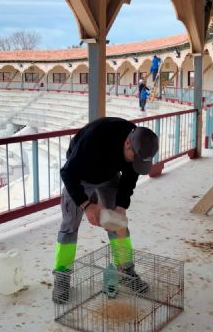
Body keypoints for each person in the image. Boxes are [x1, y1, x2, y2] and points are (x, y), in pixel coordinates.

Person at [52, 117, 159, 303]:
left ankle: (126, 270)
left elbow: (129, 178)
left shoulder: (138, 148)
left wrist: (121, 206)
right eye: (134, 157)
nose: (136, 161)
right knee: (70, 225)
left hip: (109, 175)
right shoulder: (95, 139)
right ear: (127, 143)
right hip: (81, 176)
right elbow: (67, 173)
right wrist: (87, 205)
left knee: (118, 225)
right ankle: (62, 275)